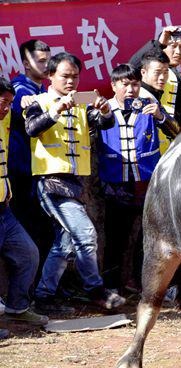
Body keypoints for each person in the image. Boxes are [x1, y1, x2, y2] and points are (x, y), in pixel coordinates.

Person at [24, 53, 125, 312]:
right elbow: (32, 128)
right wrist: (56, 110)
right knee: (86, 234)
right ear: (50, 76)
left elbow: (104, 123)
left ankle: (44, 297)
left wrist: (104, 111)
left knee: (65, 243)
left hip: (74, 183)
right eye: (65, 76)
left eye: (75, 76)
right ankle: (95, 289)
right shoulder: (38, 101)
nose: (71, 82)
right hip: (50, 182)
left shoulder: (81, 104)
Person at [98, 64, 179, 292]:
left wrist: (161, 115)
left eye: (135, 84)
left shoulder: (149, 108)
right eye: (125, 84)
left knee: (149, 236)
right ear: (114, 86)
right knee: (116, 237)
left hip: (146, 183)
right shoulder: (104, 109)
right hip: (115, 184)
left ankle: (145, 282)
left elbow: (176, 132)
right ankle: (113, 286)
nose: (132, 89)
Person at [0, 77, 49, 328]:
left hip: (4, 210)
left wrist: (28, 101)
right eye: (3, 102)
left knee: (28, 253)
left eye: (9, 103)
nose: (7, 108)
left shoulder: (5, 119)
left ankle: (17, 308)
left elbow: (28, 115)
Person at [9, 40, 52, 274]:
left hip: (39, 171)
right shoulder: (18, 90)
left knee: (44, 231)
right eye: (41, 61)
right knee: (31, 232)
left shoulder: (43, 90)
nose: (47, 66)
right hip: (22, 172)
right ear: (26, 63)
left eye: (49, 60)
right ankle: (32, 291)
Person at [130, 26, 181, 149]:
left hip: (172, 145)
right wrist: (159, 43)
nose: (178, 52)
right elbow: (132, 66)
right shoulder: (145, 74)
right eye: (173, 46)